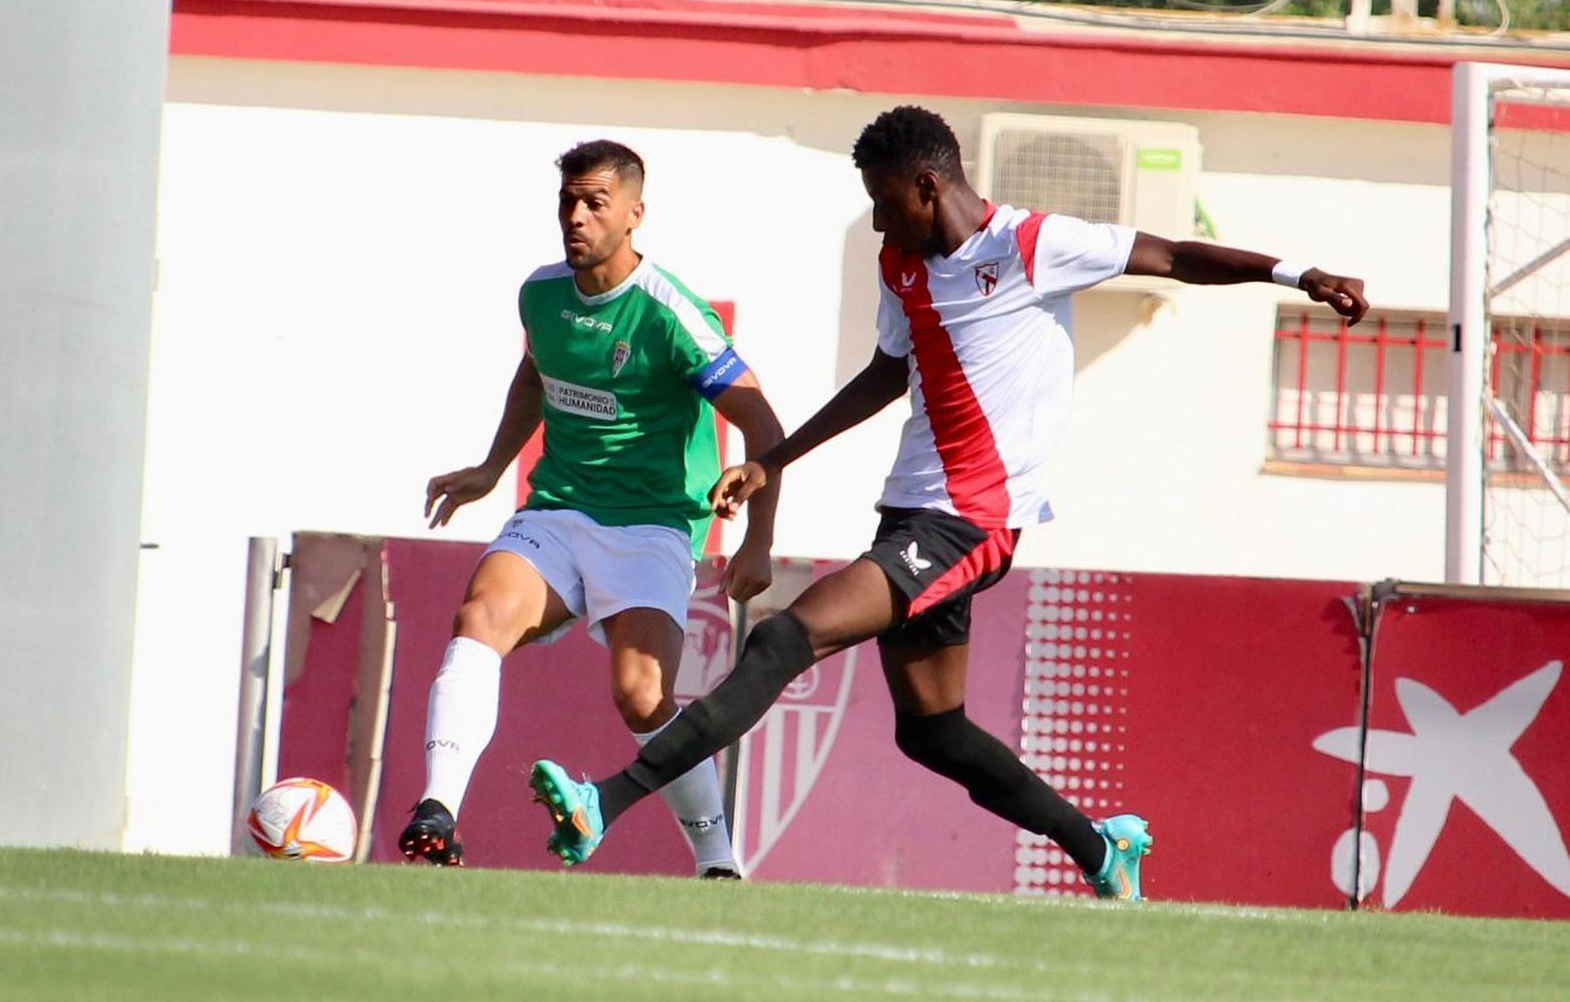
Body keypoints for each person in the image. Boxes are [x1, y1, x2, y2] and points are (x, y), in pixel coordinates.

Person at [528, 107, 1370, 899]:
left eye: (886, 206)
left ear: (929, 187)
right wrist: (773, 461)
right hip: (910, 513)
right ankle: (1101, 848)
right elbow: (887, 373)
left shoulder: (1037, 244)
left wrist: (1302, 275)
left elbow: (1179, 256)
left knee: (789, 634)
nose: (880, 226)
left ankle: (606, 801)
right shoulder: (902, 264)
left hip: (971, 520)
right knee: (931, 731)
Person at [401, 139, 783, 878]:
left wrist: (758, 545)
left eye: (594, 203)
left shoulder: (673, 314)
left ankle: (718, 863)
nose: (575, 217)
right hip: (558, 510)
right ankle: (437, 813)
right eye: (566, 202)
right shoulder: (541, 294)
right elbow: (533, 375)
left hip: (650, 525)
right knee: (479, 617)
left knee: (642, 697)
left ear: (635, 213)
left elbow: (767, 429)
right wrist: (491, 468)